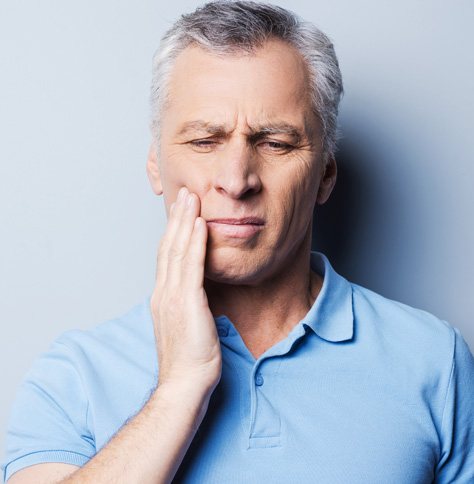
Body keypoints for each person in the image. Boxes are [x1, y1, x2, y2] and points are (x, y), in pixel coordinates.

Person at [2, 1, 474, 483]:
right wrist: (180, 389)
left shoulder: (434, 361)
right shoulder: (74, 376)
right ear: (154, 164)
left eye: (275, 143)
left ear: (326, 172)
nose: (236, 180)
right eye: (205, 140)